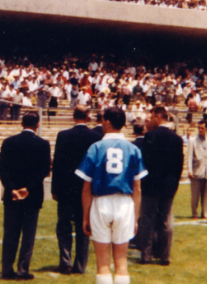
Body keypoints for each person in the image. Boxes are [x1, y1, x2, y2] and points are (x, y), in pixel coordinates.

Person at [76, 107, 148, 284]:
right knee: (122, 263)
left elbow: (86, 187)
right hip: (124, 203)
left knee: (103, 264)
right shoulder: (133, 149)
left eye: (102, 120)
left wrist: (85, 216)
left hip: (101, 202)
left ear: (107, 122)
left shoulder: (96, 147)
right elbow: (137, 188)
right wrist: (135, 217)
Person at [0, 112, 51, 280]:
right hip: (32, 195)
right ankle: (23, 269)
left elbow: (2, 168)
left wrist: (11, 188)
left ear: (21, 123)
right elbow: (44, 170)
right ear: (37, 124)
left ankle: (7, 269)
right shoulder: (43, 144)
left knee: (10, 233)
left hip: (12, 196)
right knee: (28, 234)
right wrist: (28, 188)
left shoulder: (8, 142)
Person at [51, 105, 101, 274]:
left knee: (64, 225)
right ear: (88, 116)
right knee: (83, 225)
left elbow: (57, 164)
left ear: (73, 116)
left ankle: (65, 261)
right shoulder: (95, 136)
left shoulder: (63, 135)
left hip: (65, 188)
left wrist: (55, 188)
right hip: (86, 188)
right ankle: (80, 265)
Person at [136, 105, 183, 265]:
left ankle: (147, 254)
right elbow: (179, 166)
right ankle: (164, 255)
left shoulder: (150, 136)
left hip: (151, 186)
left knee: (148, 220)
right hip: (168, 186)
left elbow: (145, 162)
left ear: (157, 116)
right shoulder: (177, 139)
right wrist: (173, 184)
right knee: (165, 221)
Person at [186, 120, 207, 218]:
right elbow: (189, 157)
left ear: (206, 128)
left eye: (202, 128)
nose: (200, 130)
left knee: (205, 195)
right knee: (195, 195)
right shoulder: (193, 140)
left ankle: (204, 213)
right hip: (196, 170)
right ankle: (194, 213)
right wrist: (190, 170)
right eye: (199, 128)